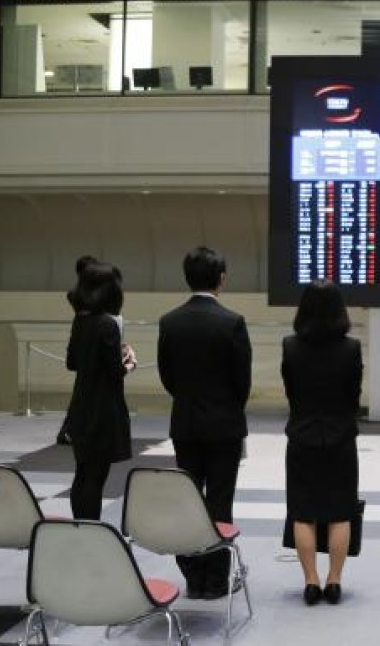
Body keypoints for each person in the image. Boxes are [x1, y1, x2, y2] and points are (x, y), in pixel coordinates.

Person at [158, 246, 252, 600]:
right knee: (220, 501)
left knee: (189, 501)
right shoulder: (232, 322)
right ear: (222, 279)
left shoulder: (170, 321)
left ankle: (193, 576)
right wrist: (227, 406)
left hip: (185, 423)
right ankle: (216, 579)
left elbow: (168, 377)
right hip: (225, 424)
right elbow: (241, 381)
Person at [281, 281, 362, 606]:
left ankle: (310, 581)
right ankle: (334, 580)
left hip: (302, 435)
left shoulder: (290, 346)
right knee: (341, 512)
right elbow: (353, 396)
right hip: (341, 436)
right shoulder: (351, 348)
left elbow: (291, 391)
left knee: (303, 513)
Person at [65, 261, 135, 519]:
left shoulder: (80, 320)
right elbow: (115, 372)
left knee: (82, 472)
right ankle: (91, 529)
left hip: (80, 406)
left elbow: (71, 362)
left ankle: (80, 526)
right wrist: (130, 362)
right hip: (103, 410)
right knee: (96, 476)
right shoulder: (108, 324)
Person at [58, 254, 99, 446]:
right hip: (88, 338)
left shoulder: (76, 293)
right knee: (84, 390)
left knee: (82, 389)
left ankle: (71, 429)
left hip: (79, 336)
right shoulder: (86, 295)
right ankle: (70, 430)